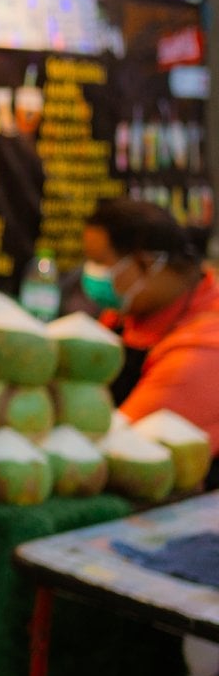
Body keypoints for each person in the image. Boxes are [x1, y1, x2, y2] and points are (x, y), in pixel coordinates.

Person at [82, 198, 219, 472]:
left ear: (146, 265)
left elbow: (121, 447)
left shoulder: (203, 350)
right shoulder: (128, 313)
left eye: (100, 263)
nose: (90, 274)